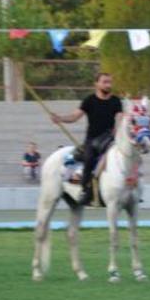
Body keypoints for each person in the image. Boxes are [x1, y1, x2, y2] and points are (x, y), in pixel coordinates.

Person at [51, 72, 122, 205]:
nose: (108, 85)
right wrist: (60, 118)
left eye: (110, 82)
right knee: (89, 159)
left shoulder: (116, 101)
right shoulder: (89, 100)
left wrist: (117, 131)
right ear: (97, 84)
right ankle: (85, 191)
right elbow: (74, 117)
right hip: (92, 140)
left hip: (109, 140)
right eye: (105, 82)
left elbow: (119, 118)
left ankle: (129, 188)